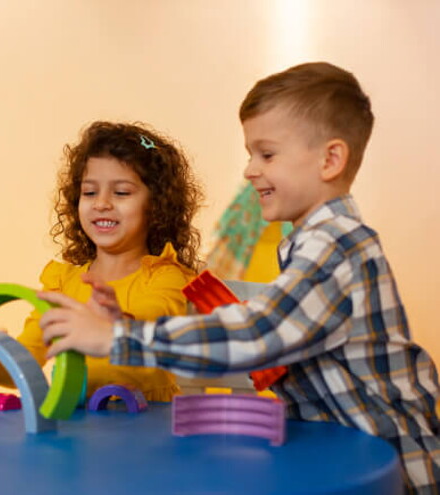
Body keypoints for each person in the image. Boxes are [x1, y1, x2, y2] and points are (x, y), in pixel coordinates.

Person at [38, 63, 440, 493]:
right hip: (341, 460)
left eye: (266, 154)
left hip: (395, 473)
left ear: (330, 160)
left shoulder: (336, 246)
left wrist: (116, 337)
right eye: (251, 154)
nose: (250, 170)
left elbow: (257, 336)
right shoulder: (310, 244)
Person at [0, 120, 203, 402]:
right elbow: (27, 363)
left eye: (121, 193)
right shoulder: (62, 283)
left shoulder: (165, 275)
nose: (101, 203)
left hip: (145, 426)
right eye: (90, 192)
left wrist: (114, 325)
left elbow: (156, 321)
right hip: (79, 428)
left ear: (155, 206)